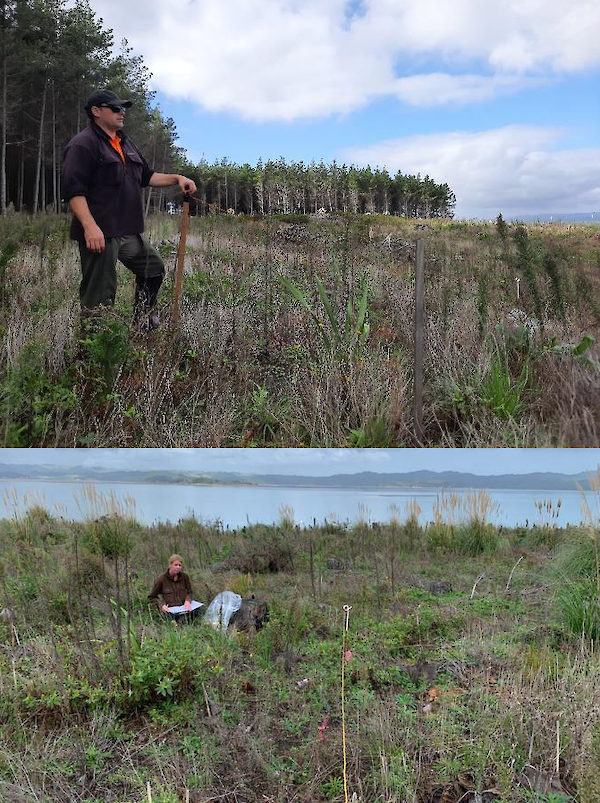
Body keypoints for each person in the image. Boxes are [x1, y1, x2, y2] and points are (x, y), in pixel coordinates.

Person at [61, 89, 197, 329]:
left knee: (153, 269)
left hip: (127, 230)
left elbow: (147, 176)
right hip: (100, 233)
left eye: (123, 108)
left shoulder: (125, 142)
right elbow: (74, 191)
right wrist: (90, 227)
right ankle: (93, 352)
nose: (121, 112)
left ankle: (141, 323)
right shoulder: (83, 145)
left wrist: (177, 178)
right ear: (96, 111)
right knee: (99, 294)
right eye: (115, 108)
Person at [148, 554, 202, 621]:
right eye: (175, 565)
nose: (178, 567)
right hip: (170, 610)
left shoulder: (185, 577)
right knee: (178, 619)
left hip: (183, 607)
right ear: (170, 565)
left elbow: (190, 592)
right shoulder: (161, 579)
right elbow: (152, 597)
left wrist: (187, 601)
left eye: (180, 565)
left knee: (198, 611)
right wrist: (161, 605)